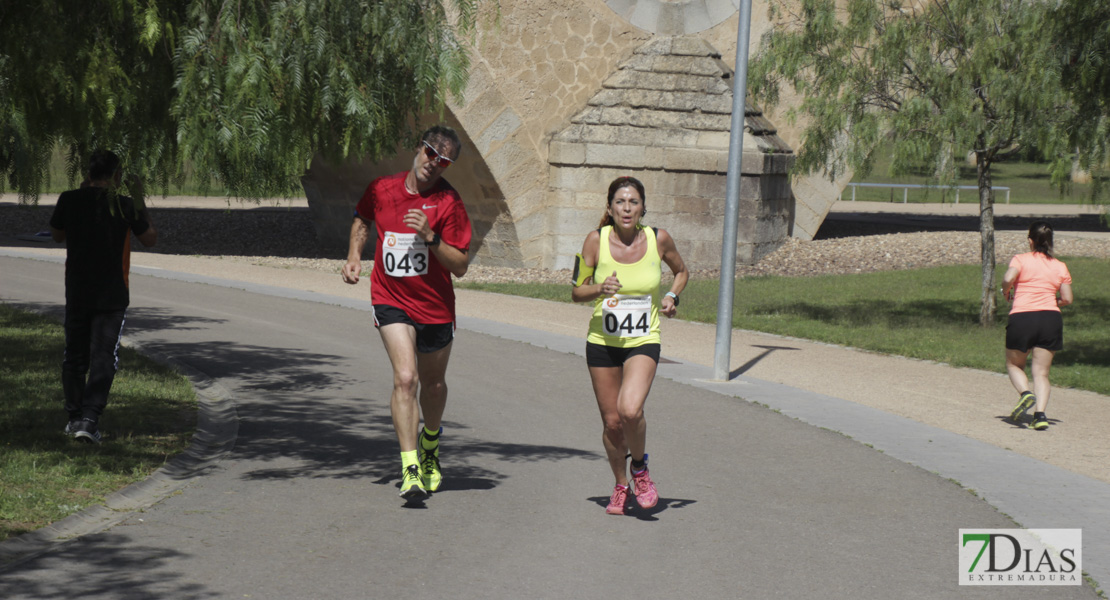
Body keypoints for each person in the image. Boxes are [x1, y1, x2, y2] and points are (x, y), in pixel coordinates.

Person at [342, 126, 471, 502]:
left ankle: (430, 442)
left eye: (445, 160)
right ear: (418, 148)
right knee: (405, 378)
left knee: (432, 385)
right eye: (431, 153)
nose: (435, 163)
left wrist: (431, 238)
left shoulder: (450, 203)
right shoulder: (382, 189)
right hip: (390, 297)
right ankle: (410, 464)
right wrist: (353, 257)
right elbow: (361, 218)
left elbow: (460, 265)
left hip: (434, 306)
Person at [571, 176, 688, 515]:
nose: (626, 208)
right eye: (620, 202)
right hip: (603, 341)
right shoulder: (595, 240)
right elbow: (577, 291)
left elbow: (681, 272)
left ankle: (640, 468)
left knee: (630, 410)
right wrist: (598, 288)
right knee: (612, 423)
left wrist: (670, 295)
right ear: (609, 208)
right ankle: (621, 484)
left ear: (642, 208)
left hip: (643, 337)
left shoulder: (658, 238)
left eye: (633, 202)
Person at [49, 149, 157, 443]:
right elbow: (149, 238)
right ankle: (90, 419)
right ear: (117, 176)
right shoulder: (124, 205)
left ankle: (73, 418)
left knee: (74, 355)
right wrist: (138, 198)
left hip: (78, 289)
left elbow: (57, 235)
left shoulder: (68, 199)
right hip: (112, 294)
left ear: (88, 172)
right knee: (103, 357)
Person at [1003, 221, 1073, 431]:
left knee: (1014, 365)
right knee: (1041, 373)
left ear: (1030, 240)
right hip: (1050, 319)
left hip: (1023, 317)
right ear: (1050, 242)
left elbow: (1008, 277)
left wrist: (1006, 291)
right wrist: (1053, 302)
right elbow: (1067, 298)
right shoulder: (1060, 265)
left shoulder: (1021, 259)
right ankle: (1040, 416)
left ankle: (1026, 394)